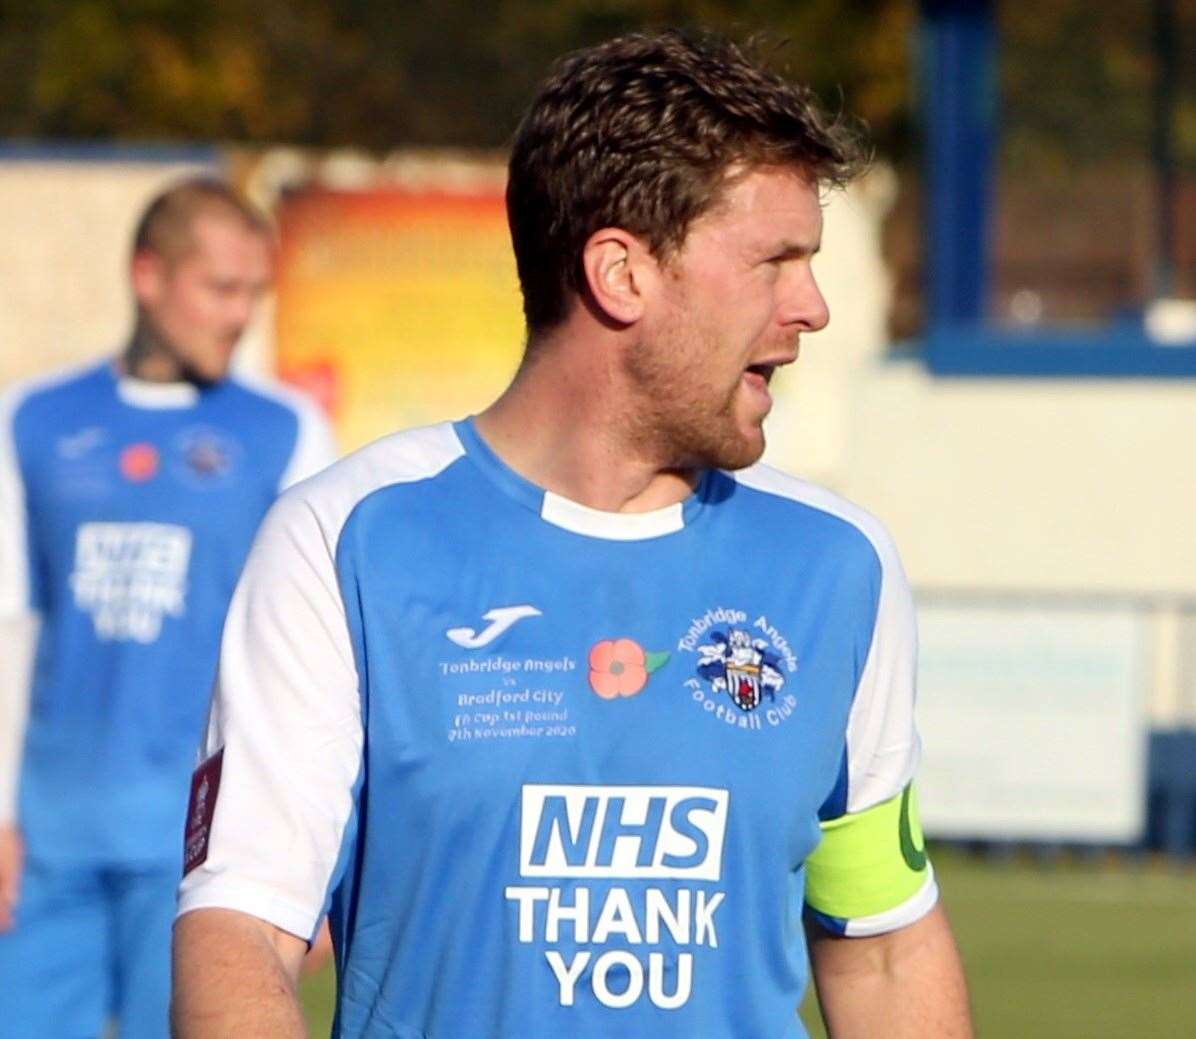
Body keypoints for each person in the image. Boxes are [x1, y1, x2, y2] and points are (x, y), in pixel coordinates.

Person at [172, 30, 972, 1038]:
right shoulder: (344, 541)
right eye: (774, 261)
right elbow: (237, 936)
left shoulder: (835, 566)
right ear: (620, 274)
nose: (809, 309)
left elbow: (885, 948)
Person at [0, 177, 336, 1038]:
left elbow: (320, 655)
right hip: (46, 844)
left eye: (253, 293)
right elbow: (9, 627)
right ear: (149, 275)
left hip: (203, 850)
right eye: (221, 288)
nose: (241, 315)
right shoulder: (29, 420)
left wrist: (323, 850)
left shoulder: (287, 431)